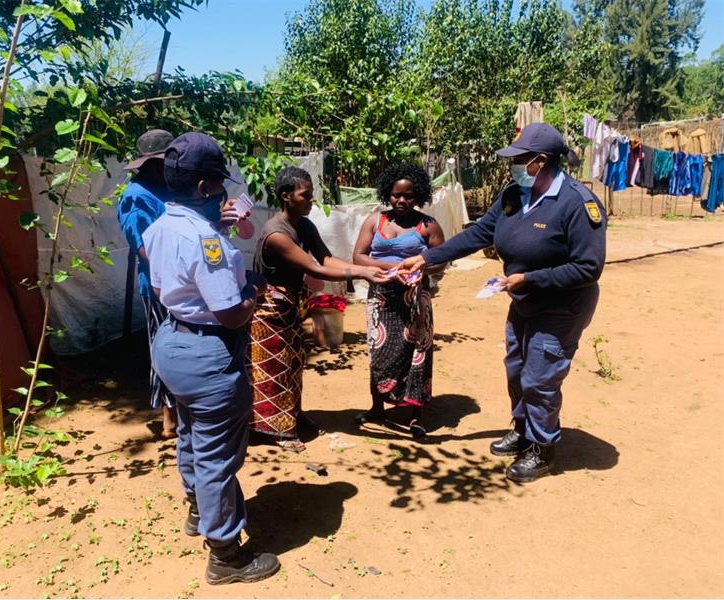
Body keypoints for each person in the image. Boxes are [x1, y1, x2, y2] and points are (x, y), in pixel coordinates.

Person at [398, 123, 607, 482]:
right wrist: (428, 257)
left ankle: (542, 449)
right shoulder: (515, 194)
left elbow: (588, 267)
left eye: (520, 159)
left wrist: (530, 278)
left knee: (540, 378)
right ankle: (524, 428)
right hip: (523, 299)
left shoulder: (577, 203)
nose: (514, 166)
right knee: (517, 368)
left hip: (561, 305)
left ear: (540, 162)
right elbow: (481, 233)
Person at [143, 132, 280, 584]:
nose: (224, 192)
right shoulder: (207, 240)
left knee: (188, 430)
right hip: (209, 354)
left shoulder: (160, 226)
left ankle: (197, 510)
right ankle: (225, 555)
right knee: (218, 455)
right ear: (205, 188)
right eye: (219, 184)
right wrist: (254, 292)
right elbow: (231, 315)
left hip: (171, 342)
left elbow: (165, 285)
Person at [249, 166, 388, 452]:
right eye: (306, 195)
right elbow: (314, 268)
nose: (312, 200)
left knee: (293, 364)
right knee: (272, 368)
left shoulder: (304, 225)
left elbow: (325, 258)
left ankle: (292, 416)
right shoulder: (277, 234)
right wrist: (361, 274)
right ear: (286, 196)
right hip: (268, 311)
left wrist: (368, 268)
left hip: (288, 307)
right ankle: (278, 429)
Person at [352, 163, 445, 439]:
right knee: (379, 353)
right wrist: (391, 269)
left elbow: (442, 259)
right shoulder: (374, 221)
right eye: (395, 195)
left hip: (414, 299)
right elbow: (358, 256)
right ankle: (377, 407)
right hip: (381, 299)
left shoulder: (428, 225)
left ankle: (416, 416)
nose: (401, 200)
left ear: (419, 196)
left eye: (408, 196)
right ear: (387, 194)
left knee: (417, 354)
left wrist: (418, 270)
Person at [116, 129, 178, 439]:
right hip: (158, 286)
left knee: (181, 345)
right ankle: (169, 417)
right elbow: (144, 248)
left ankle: (181, 410)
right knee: (164, 344)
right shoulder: (135, 196)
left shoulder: (168, 189)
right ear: (151, 163)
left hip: (180, 281)